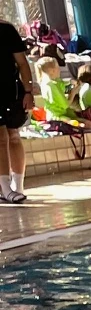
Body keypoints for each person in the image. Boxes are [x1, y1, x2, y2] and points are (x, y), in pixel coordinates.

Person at [0, 17, 28, 204]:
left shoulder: (6, 30)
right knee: (1, 138)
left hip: (10, 91)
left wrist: (28, 90)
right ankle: (4, 187)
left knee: (14, 136)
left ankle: (18, 185)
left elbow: (23, 63)